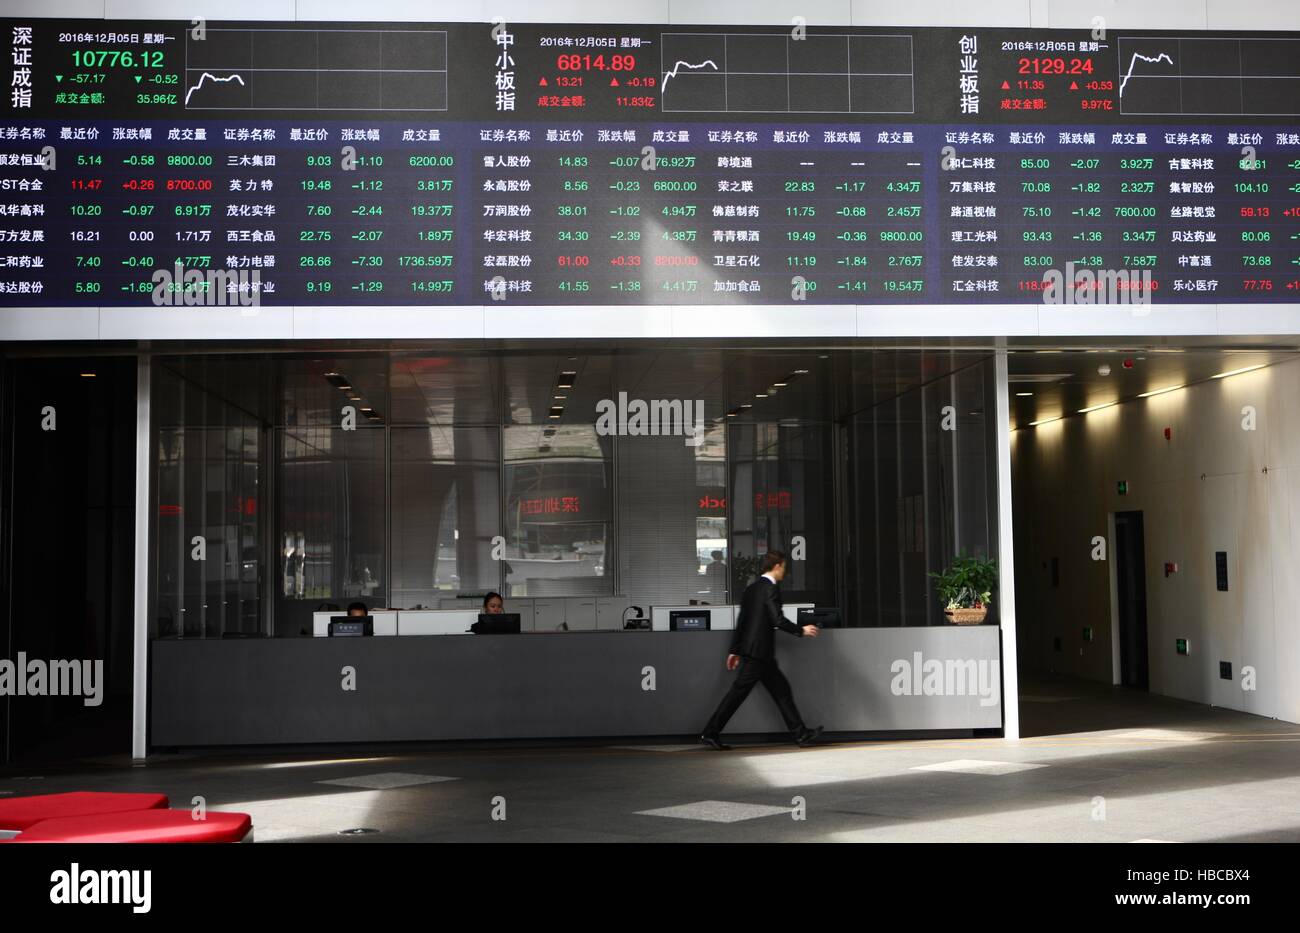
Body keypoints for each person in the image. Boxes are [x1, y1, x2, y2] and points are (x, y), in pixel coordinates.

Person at [700, 550, 822, 750]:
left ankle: (801, 734)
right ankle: (710, 732)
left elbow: (742, 622)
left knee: (781, 691)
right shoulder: (771, 589)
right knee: (738, 694)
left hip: (757, 654)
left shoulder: (751, 589)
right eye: (784, 567)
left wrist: (735, 649)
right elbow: (777, 619)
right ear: (777, 566)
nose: (785, 572)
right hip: (759, 655)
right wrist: (801, 630)